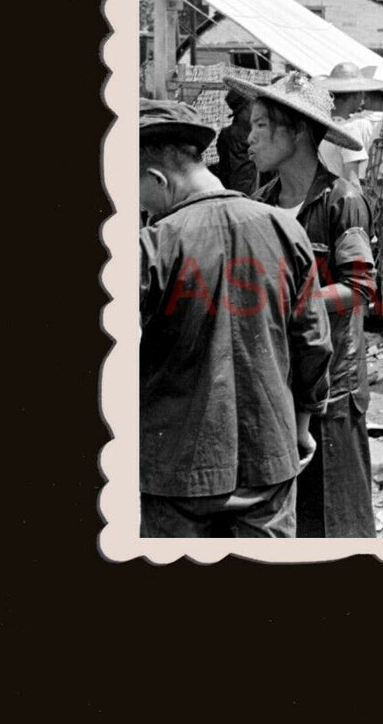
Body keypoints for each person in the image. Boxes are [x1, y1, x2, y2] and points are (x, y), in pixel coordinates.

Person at [139, 100, 332, 538]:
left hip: (177, 473)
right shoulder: (283, 228)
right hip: (269, 458)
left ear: (157, 179)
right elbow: (313, 342)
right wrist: (301, 426)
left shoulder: (154, 245)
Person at [234, 72, 379, 538]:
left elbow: (359, 287)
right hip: (280, 384)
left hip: (333, 385)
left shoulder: (342, 200)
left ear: (296, 131)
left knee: (339, 517)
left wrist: (291, 302)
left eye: (260, 125)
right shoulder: (262, 206)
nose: (249, 137)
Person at [318, 62, 383, 186]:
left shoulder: (319, 124)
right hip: (338, 198)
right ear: (358, 95)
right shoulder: (348, 129)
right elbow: (352, 181)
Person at [212, 87, 259, 195]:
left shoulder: (228, 133)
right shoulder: (241, 136)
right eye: (254, 104)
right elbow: (242, 180)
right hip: (247, 197)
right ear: (245, 109)